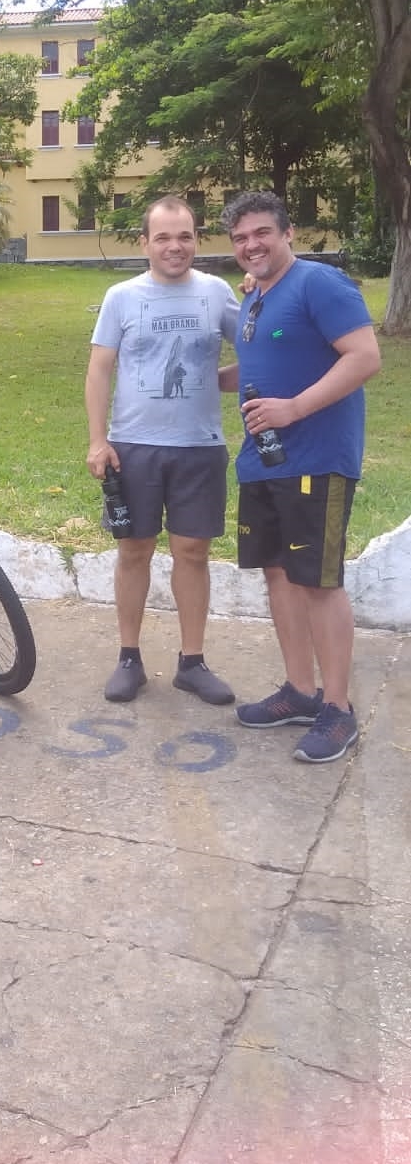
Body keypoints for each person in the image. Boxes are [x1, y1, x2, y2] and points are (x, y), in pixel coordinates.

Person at [221, 191, 382, 764]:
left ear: (288, 233)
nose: (251, 245)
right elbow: (269, 359)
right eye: (240, 238)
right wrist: (216, 378)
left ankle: (337, 709)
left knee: (317, 580)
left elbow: (363, 357)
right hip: (264, 459)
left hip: (317, 458)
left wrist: (293, 409)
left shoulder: (321, 283)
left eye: (262, 233)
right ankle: (299, 691)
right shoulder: (256, 296)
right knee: (279, 574)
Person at [85, 195, 240, 706]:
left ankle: (191, 663)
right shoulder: (122, 297)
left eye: (185, 236)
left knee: (192, 554)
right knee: (134, 551)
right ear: (145, 242)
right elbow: (100, 369)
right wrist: (97, 439)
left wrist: (220, 379)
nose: (175, 247)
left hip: (200, 448)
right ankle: (129, 657)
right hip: (134, 449)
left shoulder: (217, 294)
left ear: (197, 238)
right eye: (164, 237)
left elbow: (260, 351)